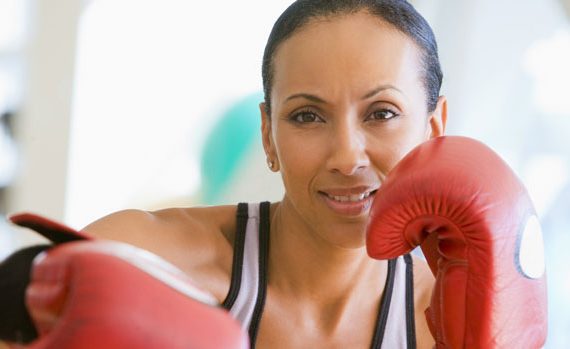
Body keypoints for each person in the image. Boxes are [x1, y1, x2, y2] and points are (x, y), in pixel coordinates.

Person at [76, 0, 445, 347]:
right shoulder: (148, 259)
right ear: (268, 135)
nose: (347, 159)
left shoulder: (448, 318)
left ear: (434, 129)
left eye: (382, 113)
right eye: (307, 116)